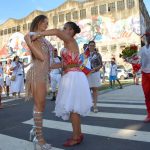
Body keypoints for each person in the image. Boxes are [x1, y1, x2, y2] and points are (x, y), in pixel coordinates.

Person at [32, 21, 92, 147]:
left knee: (73, 109)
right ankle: (78, 134)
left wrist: (38, 34)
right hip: (69, 75)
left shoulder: (70, 40)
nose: (63, 30)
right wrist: (48, 66)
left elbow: (56, 31)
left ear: (71, 31)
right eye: (64, 28)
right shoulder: (67, 45)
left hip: (73, 77)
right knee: (73, 108)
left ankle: (76, 137)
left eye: (65, 28)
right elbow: (64, 64)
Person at [24, 15, 53, 150]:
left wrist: (66, 65)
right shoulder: (33, 35)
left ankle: (36, 132)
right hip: (36, 74)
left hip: (43, 74)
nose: (46, 25)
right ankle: (39, 139)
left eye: (47, 23)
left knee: (41, 106)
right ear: (38, 22)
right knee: (39, 106)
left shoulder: (42, 38)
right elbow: (41, 57)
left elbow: (48, 61)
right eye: (44, 23)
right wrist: (29, 42)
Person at [87, 41, 102, 113]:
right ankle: (87, 105)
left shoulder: (97, 54)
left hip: (95, 73)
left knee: (95, 90)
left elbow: (101, 64)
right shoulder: (84, 55)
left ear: (94, 46)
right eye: (90, 45)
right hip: (87, 75)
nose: (91, 47)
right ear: (88, 46)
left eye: (93, 45)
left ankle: (95, 106)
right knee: (87, 91)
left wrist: (95, 69)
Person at [139, 28, 150, 123]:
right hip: (145, 74)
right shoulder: (142, 49)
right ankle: (149, 114)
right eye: (147, 35)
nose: (148, 37)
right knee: (147, 95)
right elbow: (140, 62)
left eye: (149, 35)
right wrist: (132, 61)